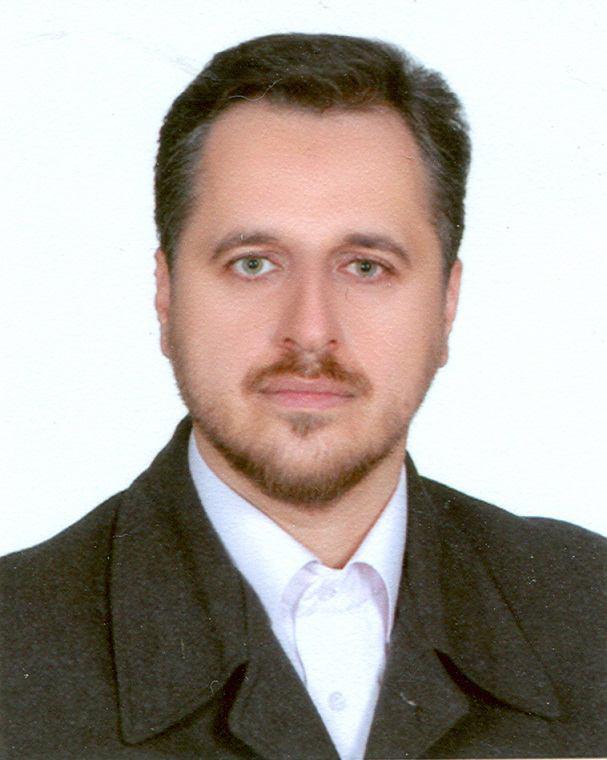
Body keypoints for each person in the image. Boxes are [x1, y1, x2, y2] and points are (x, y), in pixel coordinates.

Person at [1, 32, 605, 760]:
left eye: (365, 266)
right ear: (166, 296)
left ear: (446, 304)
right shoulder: (15, 643)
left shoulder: (591, 613)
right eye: (253, 264)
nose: (311, 331)